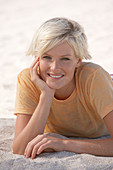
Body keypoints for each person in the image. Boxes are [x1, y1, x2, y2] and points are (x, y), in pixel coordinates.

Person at [13, 17, 113, 159]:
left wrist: (64, 144)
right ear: (36, 57)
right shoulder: (28, 80)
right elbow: (20, 148)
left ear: (78, 60)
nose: (54, 68)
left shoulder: (94, 78)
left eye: (65, 59)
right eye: (47, 57)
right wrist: (46, 95)